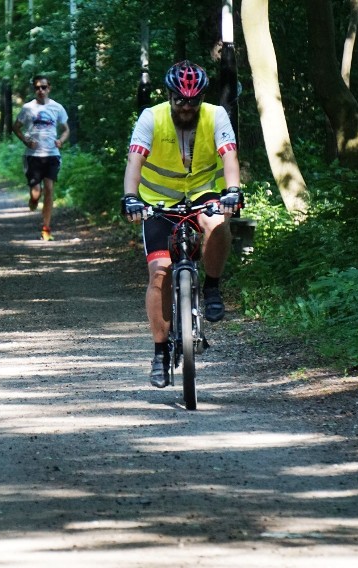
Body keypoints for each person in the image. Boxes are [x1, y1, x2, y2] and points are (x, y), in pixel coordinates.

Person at [121, 60, 243, 388]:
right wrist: (131, 197)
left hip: (204, 194)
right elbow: (135, 160)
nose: (187, 107)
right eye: (180, 100)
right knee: (160, 272)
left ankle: (213, 287)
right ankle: (160, 353)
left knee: (219, 224)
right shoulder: (152, 117)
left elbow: (229, 156)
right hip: (158, 202)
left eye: (193, 100)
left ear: (202, 97)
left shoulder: (216, 115)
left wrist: (232, 191)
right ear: (170, 96)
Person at [12, 75, 70, 241]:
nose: (41, 90)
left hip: (52, 154)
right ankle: (33, 200)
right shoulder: (27, 108)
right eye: (37, 88)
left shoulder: (57, 108)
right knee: (36, 193)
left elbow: (66, 129)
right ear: (34, 89)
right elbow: (16, 127)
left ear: (49, 88)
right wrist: (25, 140)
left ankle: (46, 227)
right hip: (33, 156)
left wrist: (61, 140)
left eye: (44, 87)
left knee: (50, 189)